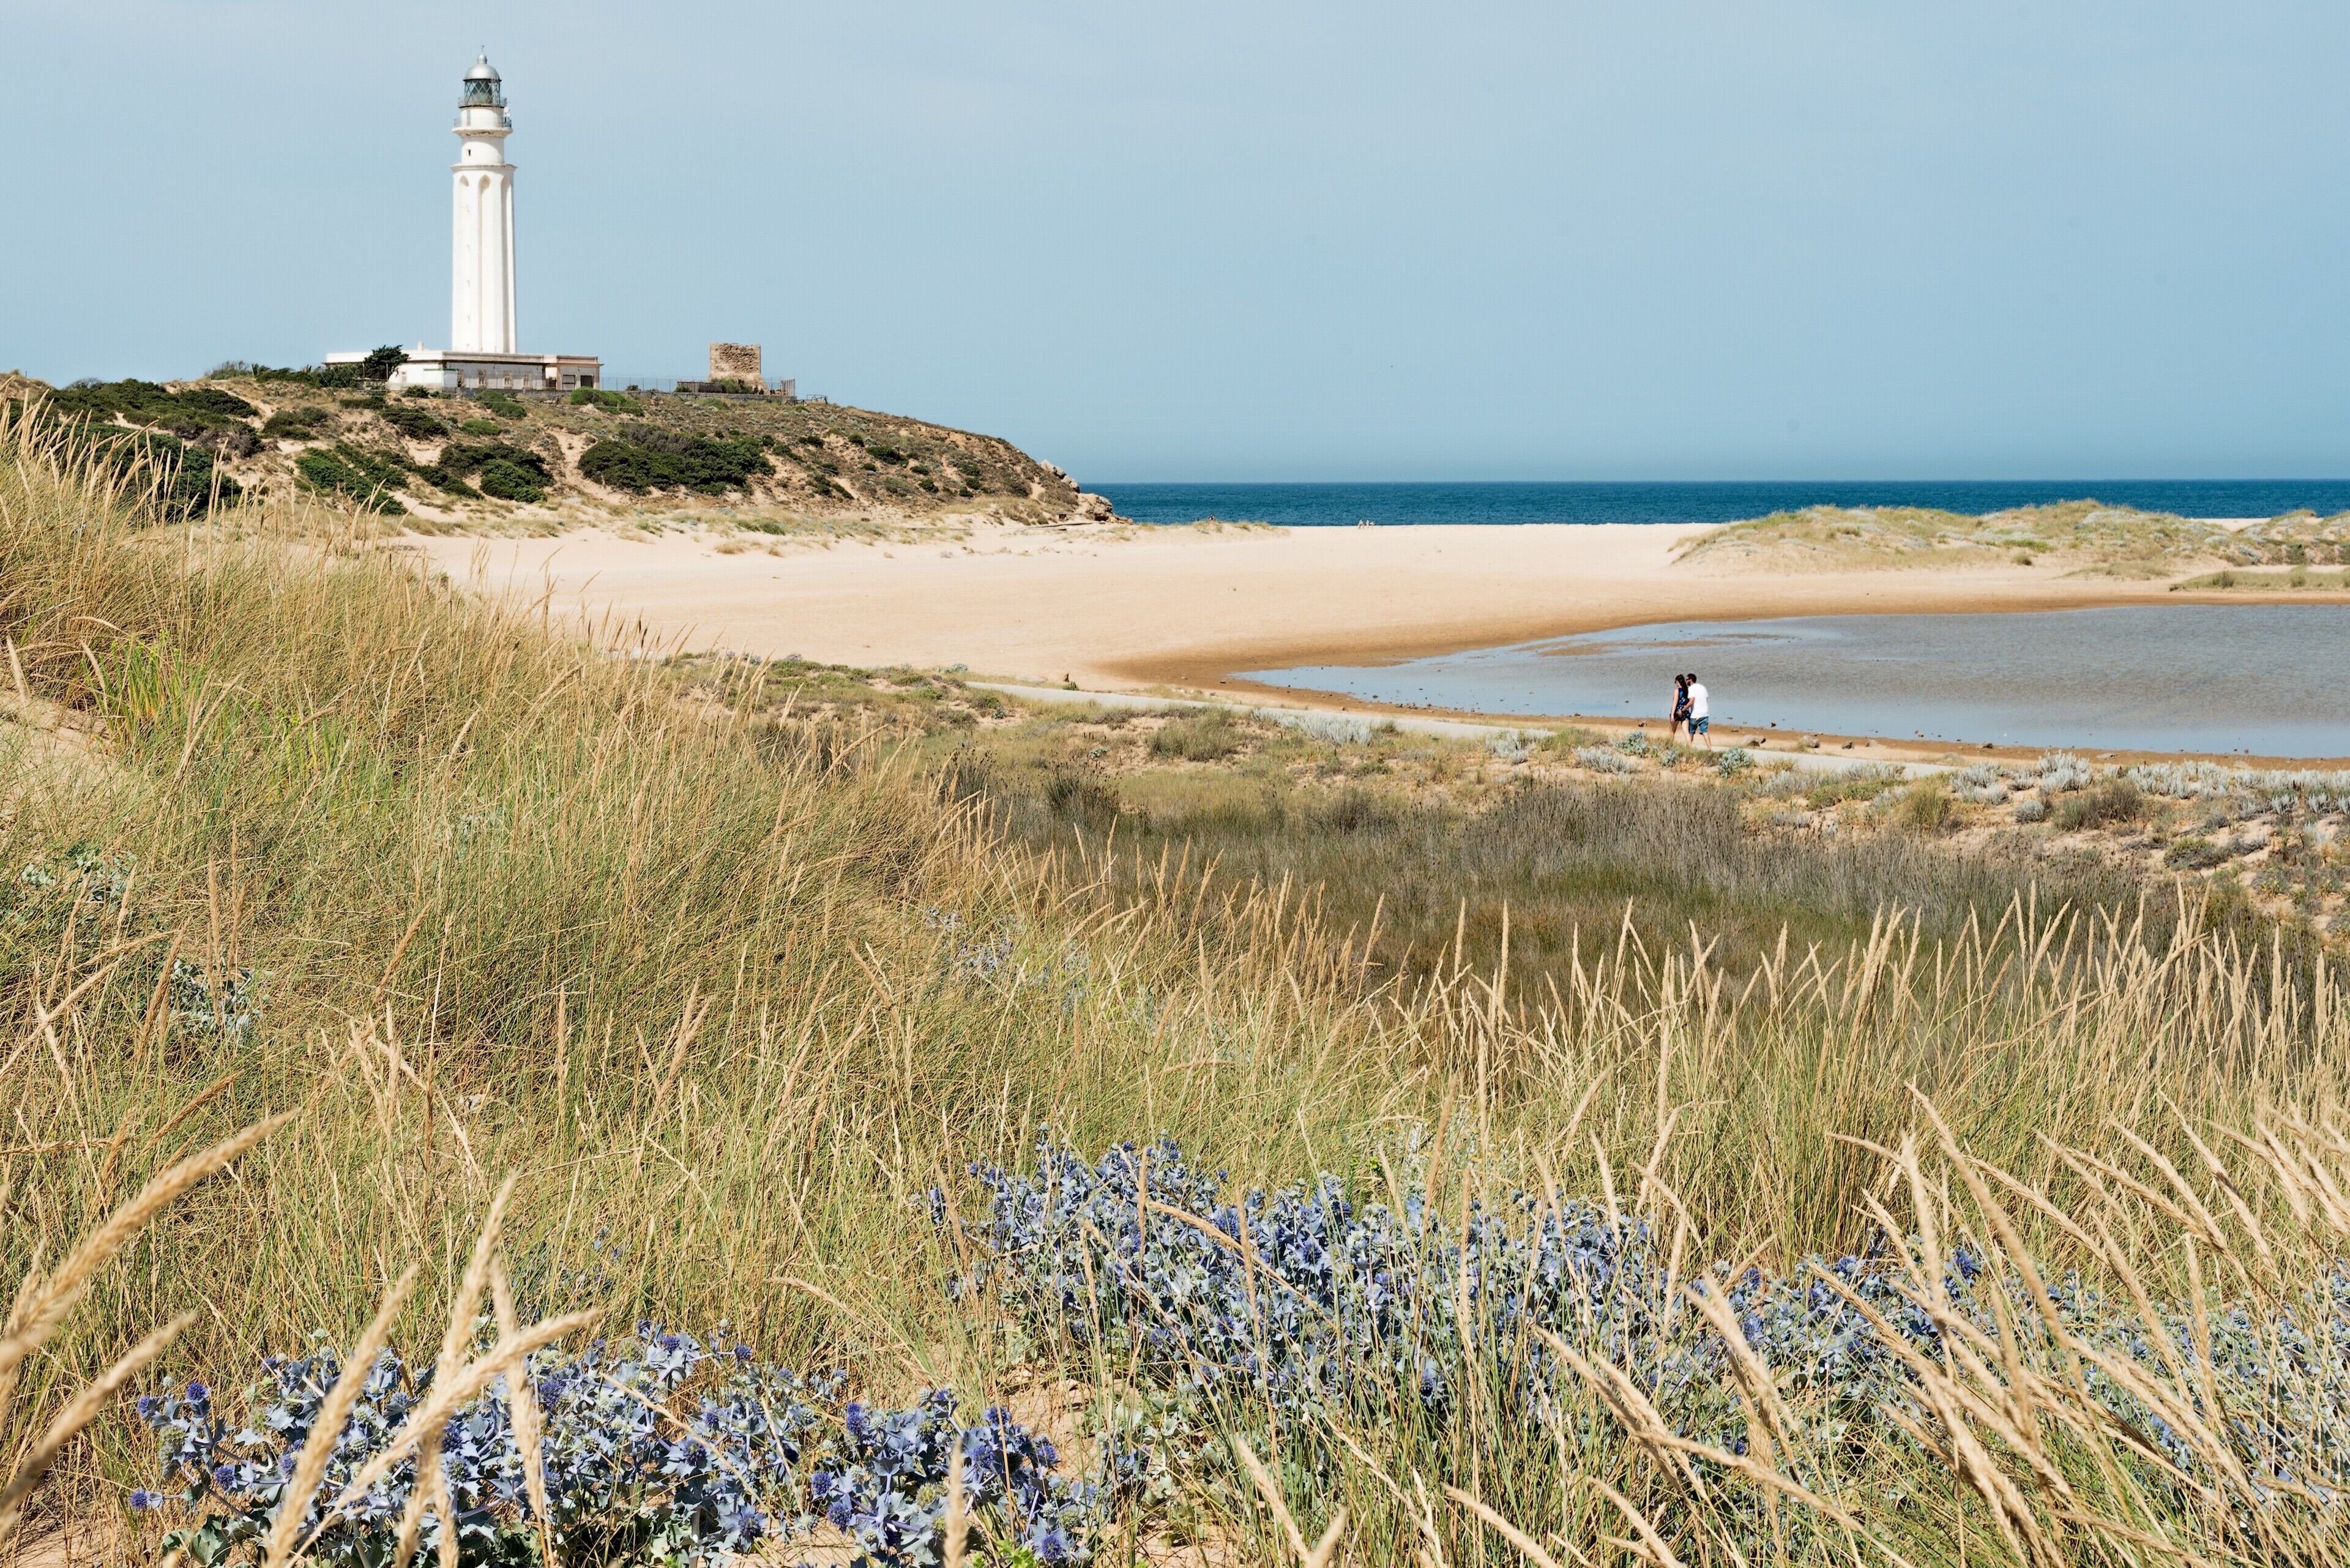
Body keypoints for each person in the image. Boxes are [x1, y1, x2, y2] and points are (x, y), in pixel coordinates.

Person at [1686, 673, 1711, 748]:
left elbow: (1691, 701)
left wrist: (1684, 708)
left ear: (1690, 680)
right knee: (1705, 732)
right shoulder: (1702, 687)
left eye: (1687, 679)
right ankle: (1710, 748)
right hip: (1705, 714)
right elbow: (1706, 699)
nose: (1686, 681)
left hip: (1695, 715)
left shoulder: (1690, 689)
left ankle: (1689, 748)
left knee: (1691, 732)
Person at [1669, 673, 1692, 743]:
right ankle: (1690, 748)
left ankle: (1669, 746)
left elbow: (1675, 703)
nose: (1675, 683)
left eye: (1675, 682)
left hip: (1677, 712)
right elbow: (1690, 701)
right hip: (1685, 711)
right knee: (1686, 732)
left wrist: (1672, 715)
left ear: (1678, 682)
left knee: (1672, 731)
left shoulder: (1677, 691)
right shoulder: (1687, 690)